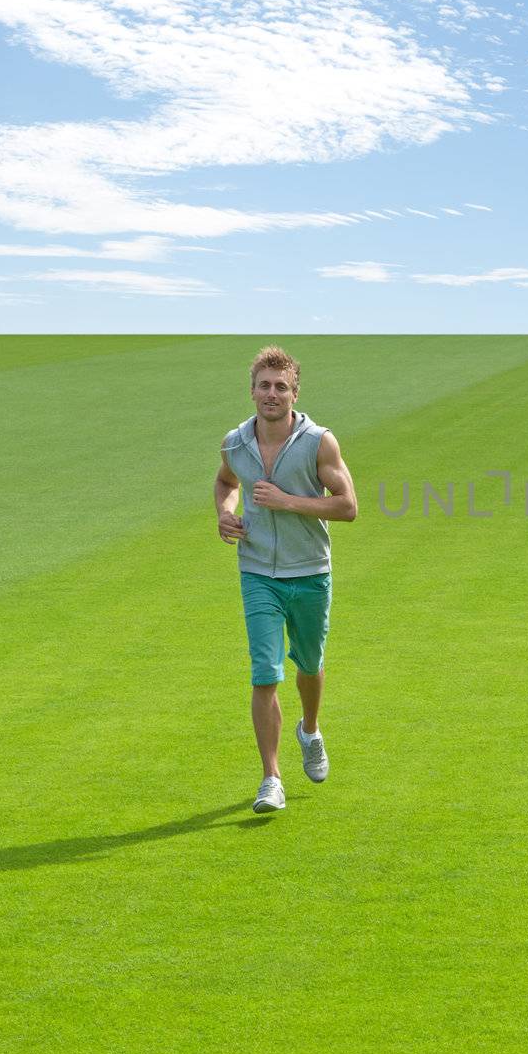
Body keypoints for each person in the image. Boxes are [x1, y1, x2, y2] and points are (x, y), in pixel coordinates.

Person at [214, 346, 358, 812]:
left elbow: (347, 506)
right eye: (264, 385)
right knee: (264, 674)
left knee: (309, 666)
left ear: (294, 393)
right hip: (257, 572)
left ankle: (310, 730)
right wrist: (225, 514)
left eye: (281, 387)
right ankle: (271, 778)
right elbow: (226, 483)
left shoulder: (320, 442)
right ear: (251, 390)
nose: (271, 394)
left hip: (310, 572)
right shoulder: (235, 443)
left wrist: (287, 501)